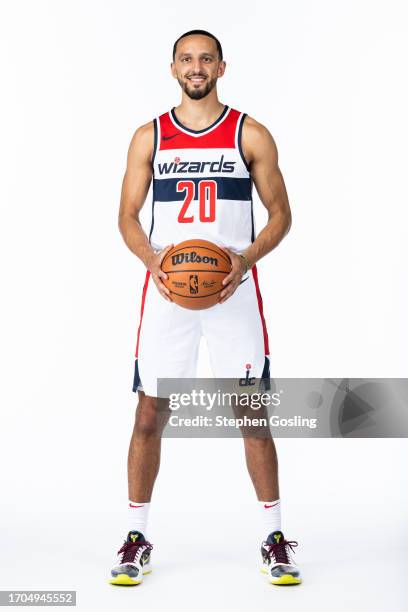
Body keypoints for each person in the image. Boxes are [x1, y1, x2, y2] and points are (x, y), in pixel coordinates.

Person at [109, 29, 301, 587]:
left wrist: (243, 263)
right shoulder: (150, 137)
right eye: (187, 60)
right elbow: (126, 216)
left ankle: (274, 538)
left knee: (252, 415)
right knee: (150, 413)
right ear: (173, 69)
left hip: (233, 294)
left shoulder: (250, 133)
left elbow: (281, 214)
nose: (196, 67)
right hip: (168, 296)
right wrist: (155, 264)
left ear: (221, 67)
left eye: (206, 59)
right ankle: (135, 536)